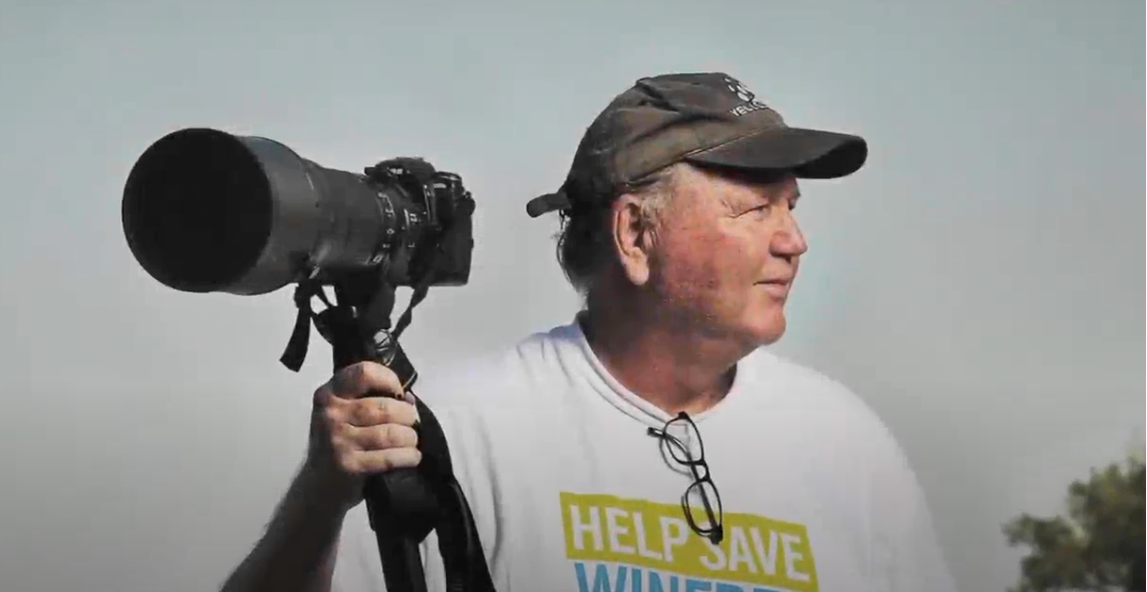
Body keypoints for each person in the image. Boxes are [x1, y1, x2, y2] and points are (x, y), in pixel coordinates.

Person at [220, 72, 960, 592]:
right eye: (755, 210)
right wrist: (322, 498)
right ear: (635, 235)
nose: (794, 240)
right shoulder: (451, 431)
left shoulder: (847, 445)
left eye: (793, 208)